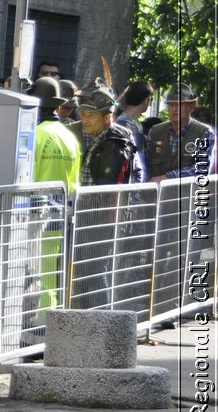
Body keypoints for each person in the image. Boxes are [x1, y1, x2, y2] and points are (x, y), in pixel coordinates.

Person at [71, 80, 138, 308]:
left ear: (107, 116)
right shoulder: (97, 137)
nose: (84, 119)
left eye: (90, 114)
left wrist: (107, 225)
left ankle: (101, 328)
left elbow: (112, 190)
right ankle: (91, 326)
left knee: (95, 273)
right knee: (87, 274)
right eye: (82, 113)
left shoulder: (115, 143)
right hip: (89, 217)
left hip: (101, 220)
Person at [28, 76, 82, 324]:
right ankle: (48, 319)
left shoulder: (35, 135)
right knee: (51, 270)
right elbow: (74, 179)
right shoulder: (70, 137)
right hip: (62, 211)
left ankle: (37, 323)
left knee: (32, 270)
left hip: (35, 213)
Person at [146, 83, 215, 180]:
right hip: (156, 194)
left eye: (180, 105)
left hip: (188, 194)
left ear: (191, 107)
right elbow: (145, 165)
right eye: (171, 105)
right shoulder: (155, 132)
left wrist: (167, 177)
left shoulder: (205, 132)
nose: (174, 109)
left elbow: (203, 168)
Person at [114, 80, 153, 183]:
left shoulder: (133, 123)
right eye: (151, 99)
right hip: (130, 185)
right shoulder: (124, 125)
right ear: (146, 100)